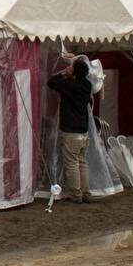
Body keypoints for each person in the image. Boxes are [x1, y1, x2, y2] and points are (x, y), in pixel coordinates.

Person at [48, 52, 93, 203]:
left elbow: (52, 82)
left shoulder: (69, 85)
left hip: (71, 130)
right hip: (83, 129)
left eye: (71, 67)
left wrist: (64, 73)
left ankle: (76, 194)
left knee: (72, 163)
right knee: (82, 162)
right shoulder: (87, 85)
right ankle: (85, 192)